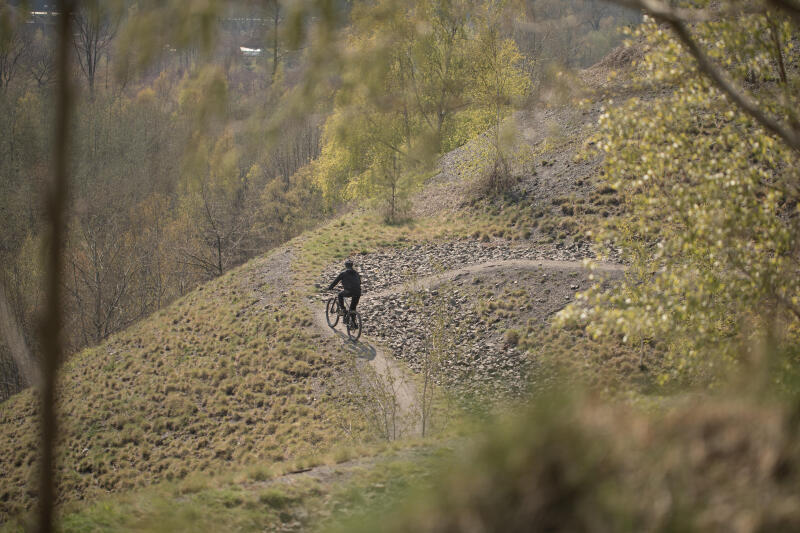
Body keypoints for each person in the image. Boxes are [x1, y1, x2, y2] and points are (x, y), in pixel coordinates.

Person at [328, 259, 361, 324]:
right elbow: (359, 282)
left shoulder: (343, 273)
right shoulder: (356, 273)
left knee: (340, 295)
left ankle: (343, 309)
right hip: (358, 292)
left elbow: (335, 281)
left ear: (345, 266)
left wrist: (330, 288)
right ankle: (354, 324)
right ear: (352, 266)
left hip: (349, 291)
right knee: (352, 308)